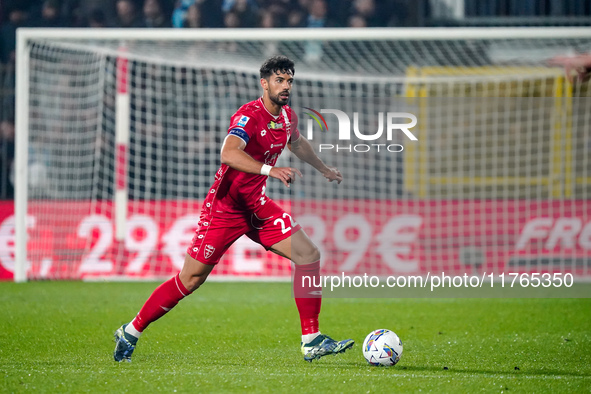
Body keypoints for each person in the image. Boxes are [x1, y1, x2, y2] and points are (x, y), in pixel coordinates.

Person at [113, 55, 354, 363]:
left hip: (257, 206)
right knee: (191, 279)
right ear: (264, 83)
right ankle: (131, 331)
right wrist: (270, 170)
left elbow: (296, 143)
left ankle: (312, 339)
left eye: (289, 80)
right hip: (225, 208)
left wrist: (323, 169)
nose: (286, 86)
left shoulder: (287, 116)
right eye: (279, 81)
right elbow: (228, 154)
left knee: (309, 255)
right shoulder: (248, 116)